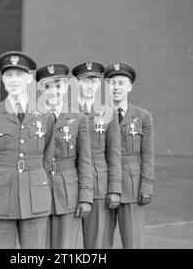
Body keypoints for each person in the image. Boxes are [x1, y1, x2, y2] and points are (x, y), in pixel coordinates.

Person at [0, 51, 55, 249]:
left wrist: (33, 179)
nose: (13, 80)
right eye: (8, 75)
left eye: (19, 75)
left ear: (29, 78)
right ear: (2, 79)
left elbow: (48, 155)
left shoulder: (45, 115)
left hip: (35, 198)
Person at [36, 62, 93, 249]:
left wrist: (85, 197)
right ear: (40, 88)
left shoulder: (78, 118)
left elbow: (85, 161)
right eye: (47, 87)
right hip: (38, 190)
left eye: (58, 86)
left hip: (68, 193)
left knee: (65, 248)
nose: (53, 92)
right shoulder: (31, 118)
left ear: (66, 86)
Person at [104, 62, 155, 249]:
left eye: (121, 83)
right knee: (100, 244)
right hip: (103, 184)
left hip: (132, 187)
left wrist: (147, 187)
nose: (116, 87)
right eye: (112, 83)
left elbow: (147, 155)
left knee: (133, 242)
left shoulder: (143, 117)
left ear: (130, 86)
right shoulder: (97, 115)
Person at [71, 61, 122, 249]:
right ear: (77, 84)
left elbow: (114, 154)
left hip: (98, 185)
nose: (90, 86)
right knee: (64, 242)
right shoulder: (65, 110)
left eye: (94, 81)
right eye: (85, 81)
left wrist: (114, 188)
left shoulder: (109, 113)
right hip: (69, 184)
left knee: (97, 244)